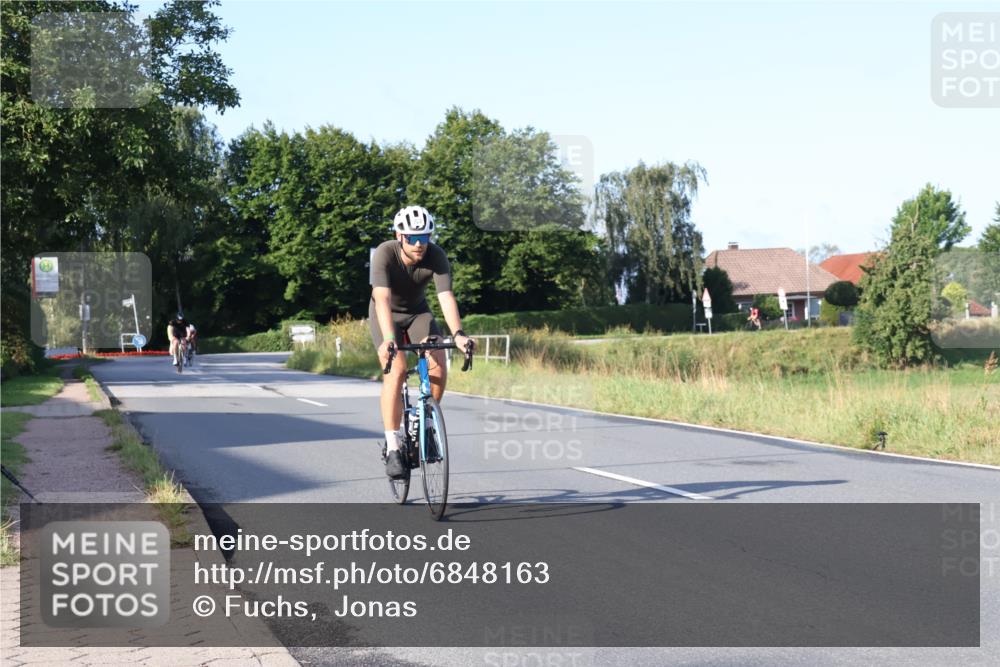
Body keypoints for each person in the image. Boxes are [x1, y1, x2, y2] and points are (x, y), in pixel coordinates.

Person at [369, 205, 475, 479]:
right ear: (399, 236)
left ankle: (425, 420)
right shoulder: (385, 253)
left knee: (438, 361)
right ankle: (393, 447)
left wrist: (460, 335)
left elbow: (445, 297)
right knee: (397, 370)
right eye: (412, 238)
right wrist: (389, 340)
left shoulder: (436, 255)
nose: (419, 244)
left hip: (418, 313)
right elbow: (381, 299)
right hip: (386, 315)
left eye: (424, 238)